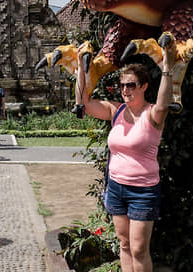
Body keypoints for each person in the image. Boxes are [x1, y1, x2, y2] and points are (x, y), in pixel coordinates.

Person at [76, 40, 176, 271]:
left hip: (143, 190)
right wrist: (81, 68)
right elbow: (84, 102)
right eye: (122, 86)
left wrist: (167, 65)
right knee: (124, 244)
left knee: (140, 249)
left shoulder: (153, 114)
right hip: (116, 187)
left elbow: (164, 101)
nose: (125, 90)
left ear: (144, 86)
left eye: (131, 85)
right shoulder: (116, 110)